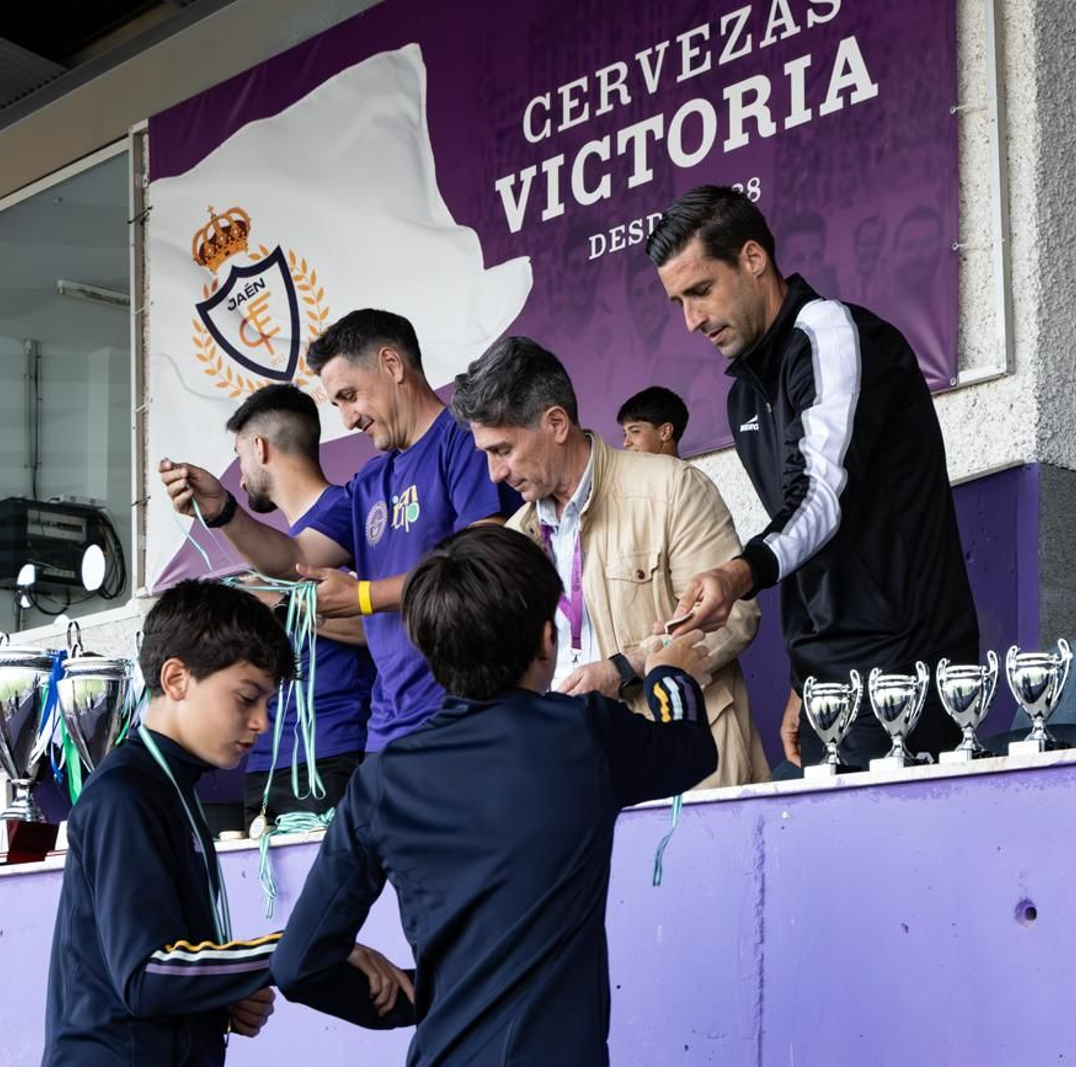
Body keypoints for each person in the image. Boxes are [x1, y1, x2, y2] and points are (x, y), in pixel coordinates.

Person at [271, 525, 716, 1065]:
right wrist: (670, 676)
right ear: (547, 639)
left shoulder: (381, 781)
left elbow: (298, 966)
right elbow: (690, 749)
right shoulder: (583, 734)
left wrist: (422, 997)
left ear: (431, 652)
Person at [649, 186, 980, 770]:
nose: (692, 320)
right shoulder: (742, 398)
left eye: (701, 291)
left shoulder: (831, 332)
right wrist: (807, 676)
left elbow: (822, 496)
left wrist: (736, 574)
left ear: (753, 259)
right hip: (831, 682)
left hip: (906, 667)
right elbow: (807, 539)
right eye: (678, 302)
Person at [42, 580, 412, 1065]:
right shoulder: (126, 794)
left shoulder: (171, 788)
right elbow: (143, 976)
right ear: (176, 680)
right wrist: (299, 946)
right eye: (245, 698)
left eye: (266, 702)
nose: (261, 721)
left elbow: (162, 965)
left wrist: (216, 997)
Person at [160, 309, 517, 750]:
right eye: (338, 404)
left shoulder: (464, 440)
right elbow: (296, 559)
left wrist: (363, 597)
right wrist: (222, 512)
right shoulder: (370, 480)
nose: (348, 419)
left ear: (392, 364)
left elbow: (484, 567)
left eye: (350, 396)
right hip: (387, 728)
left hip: (466, 713)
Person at [451, 338, 768, 788]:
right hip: (566, 773)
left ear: (556, 423)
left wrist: (625, 668)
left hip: (680, 761)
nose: (494, 473)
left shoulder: (671, 487)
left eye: (502, 450)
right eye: (485, 453)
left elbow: (734, 615)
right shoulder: (514, 535)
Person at [223, 384, 376, 826]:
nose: (240, 476)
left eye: (240, 457)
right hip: (267, 758)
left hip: (334, 746)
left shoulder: (349, 510)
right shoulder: (271, 553)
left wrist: (271, 601)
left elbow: (379, 627)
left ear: (259, 447)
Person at [617, 385, 689, 458]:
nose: (626, 443)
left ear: (665, 432)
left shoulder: (682, 469)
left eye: (635, 431)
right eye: (625, 434)